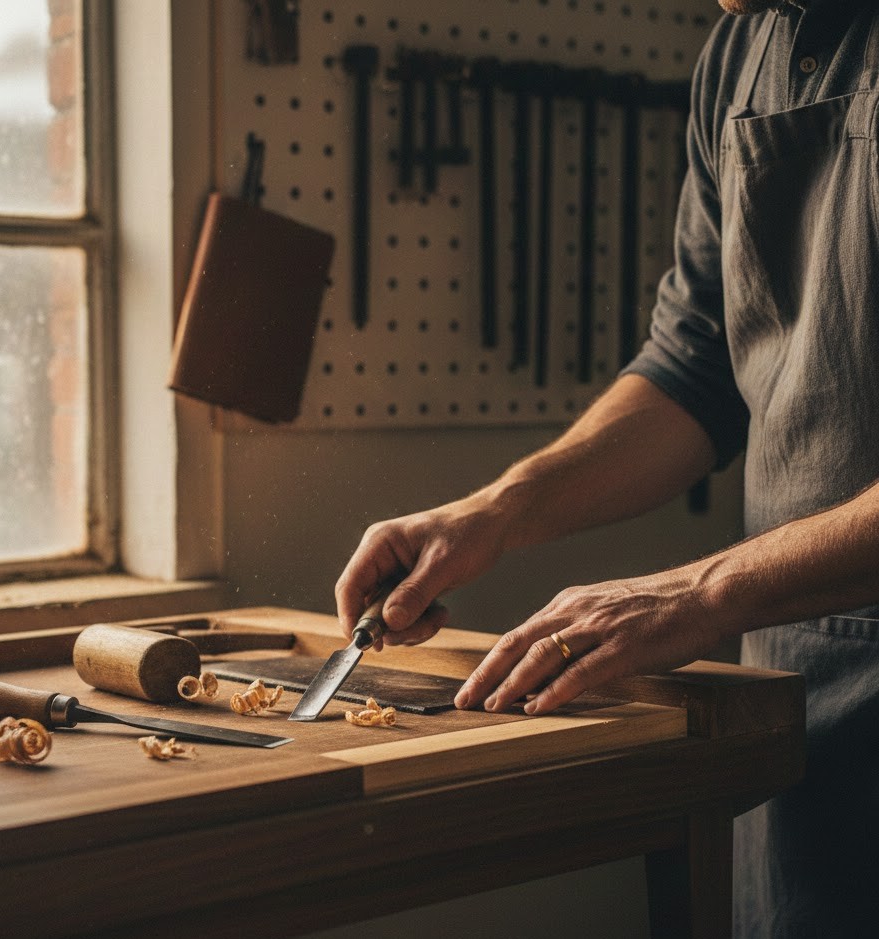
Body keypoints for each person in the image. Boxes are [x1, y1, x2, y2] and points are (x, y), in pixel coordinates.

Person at [335, 1, 879, 936]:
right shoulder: (740, 55)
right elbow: (696, 367)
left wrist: (701, 592)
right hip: (791, 694)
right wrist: (493, 514)